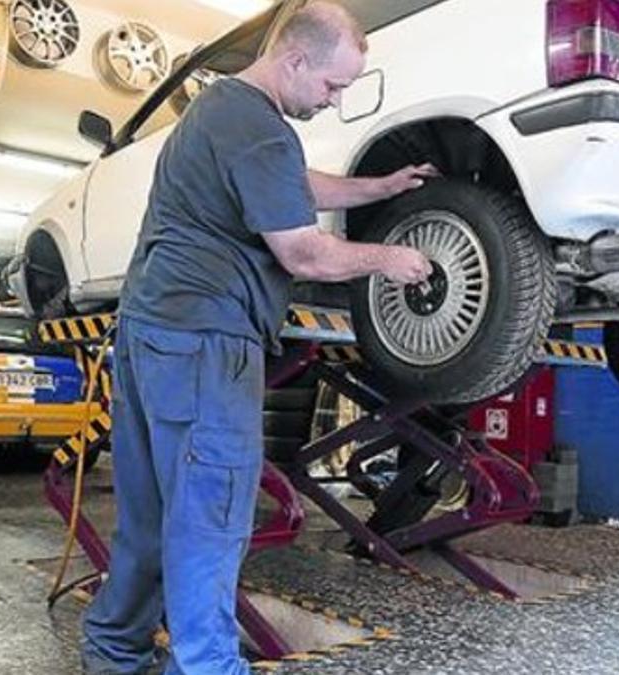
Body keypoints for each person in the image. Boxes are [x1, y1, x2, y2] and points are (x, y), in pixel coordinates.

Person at [81, 3, 434, 673]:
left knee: (152, 521)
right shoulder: (263, 130)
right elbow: (305, 253)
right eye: (333, 87)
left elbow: (294, 184)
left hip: (154, 334)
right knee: (209, 523)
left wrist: (380, 186)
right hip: (206, 343)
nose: (335, 103)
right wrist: (389, 258)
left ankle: (113, 652)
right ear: (295, 60)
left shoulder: (222, 113)